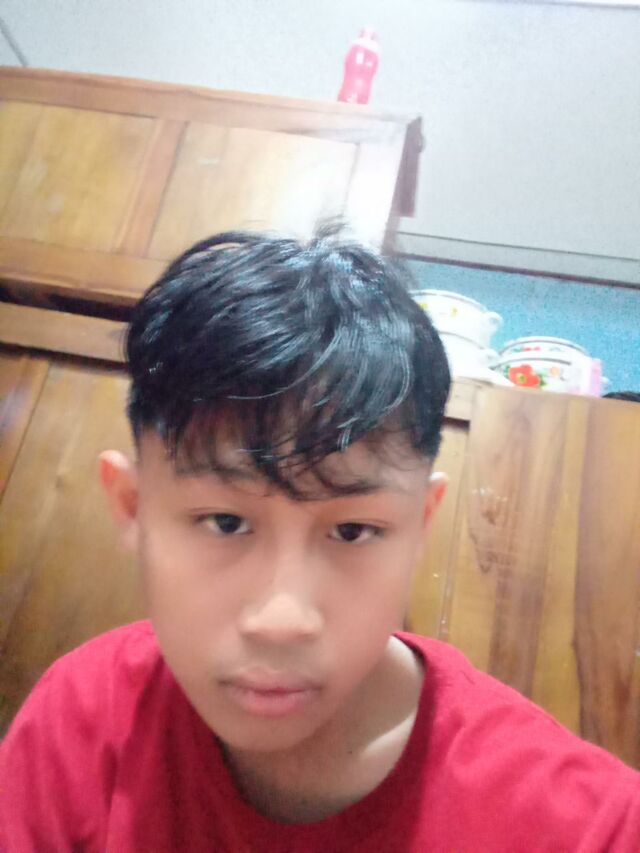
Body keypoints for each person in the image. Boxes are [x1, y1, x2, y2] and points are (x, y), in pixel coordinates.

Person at [0, 227, 638, 852]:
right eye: (225, 523)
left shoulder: (591, 825)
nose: (282, 621)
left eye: (352, 530)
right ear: (132, 508)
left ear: (421, 525)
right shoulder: (83, 716)